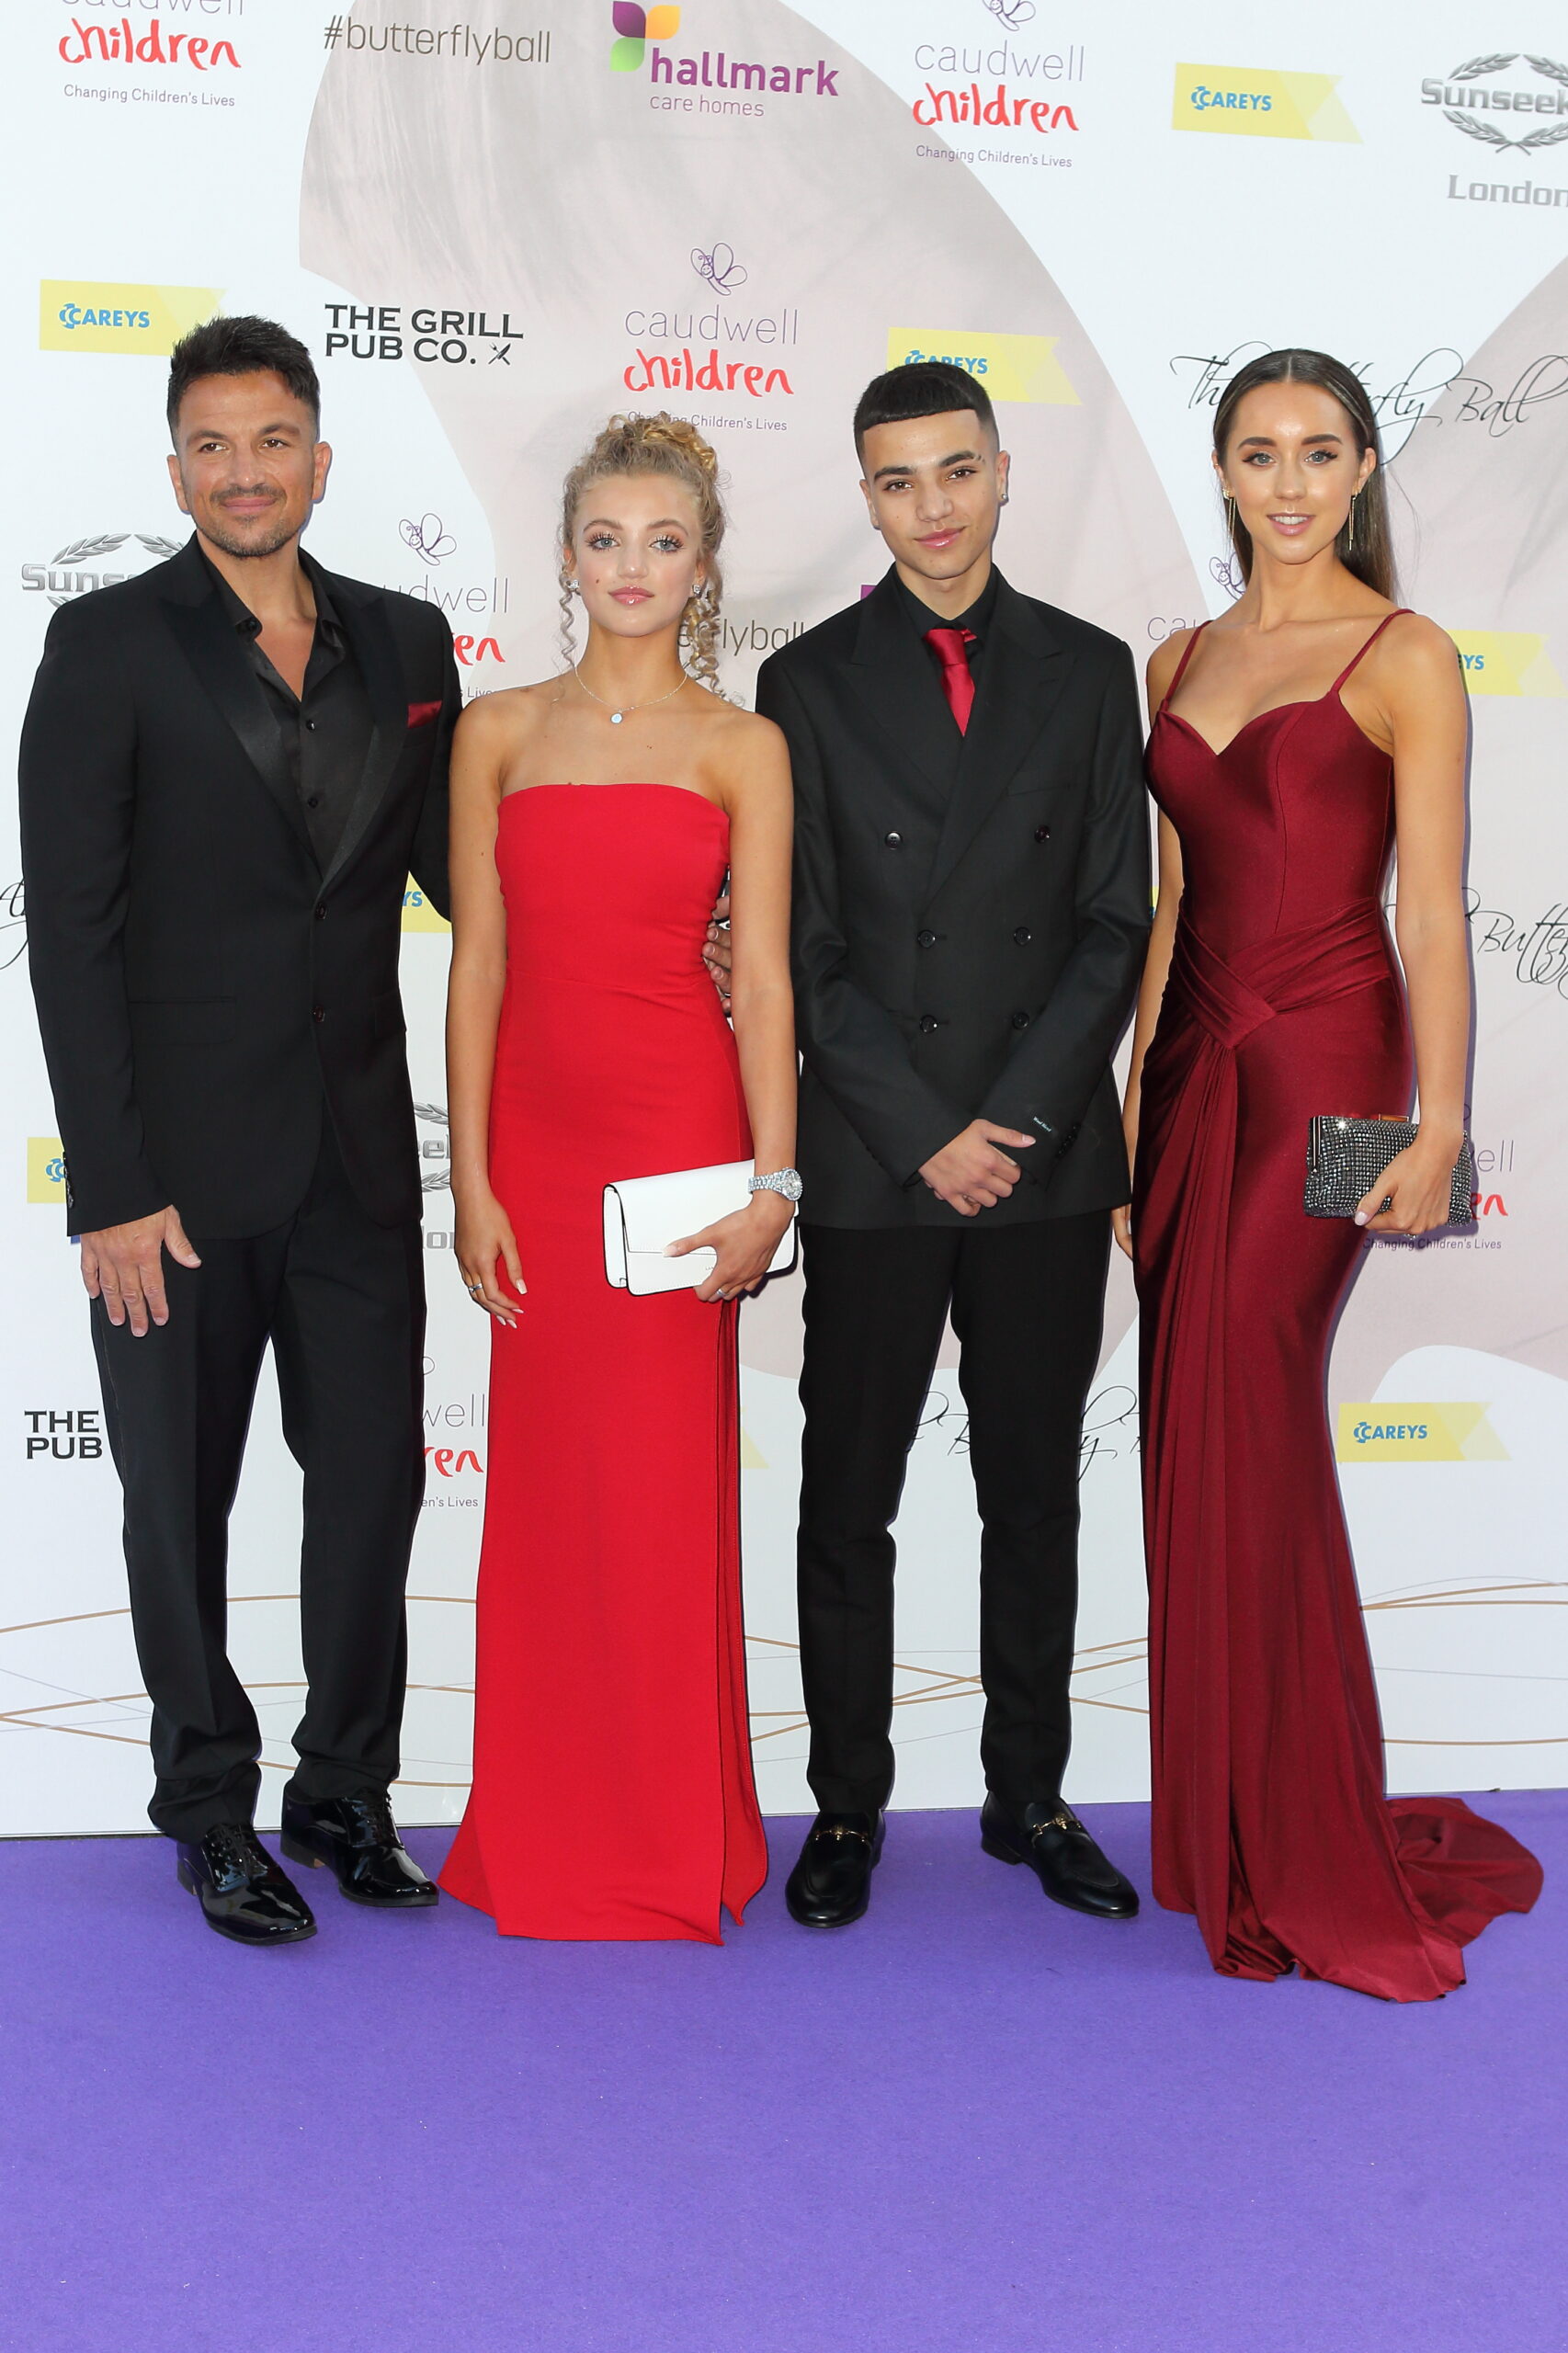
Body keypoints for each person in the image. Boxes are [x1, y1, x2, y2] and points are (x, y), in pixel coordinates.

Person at [18, 316, 460, 1944]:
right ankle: (207, 1806)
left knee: (369, 1491)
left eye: (272, 440)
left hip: (355, 1158)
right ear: (176, 468)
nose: (244, 471)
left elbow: (460, 882)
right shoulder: (110, 644)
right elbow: (71, 937)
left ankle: (344, 1787)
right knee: (176, 1500)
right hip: (176, 1186)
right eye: (212, 445)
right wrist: (112, 1188)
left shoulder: (411, 645)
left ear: (320, 457)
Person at [1120, 347, 1543, 2001]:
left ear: (1360, 468)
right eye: (1255, 452)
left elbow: (1427, 911)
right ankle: (1237, 1814)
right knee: (1203, 1424)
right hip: (1187, 1077)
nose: (1286, 482)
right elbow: (1166, 911)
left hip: (1337, 1076)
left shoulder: (1404, 653)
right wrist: (1126, 1123)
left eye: (1316, 452)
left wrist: (1439, 1122)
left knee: (1249, 1380)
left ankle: (1296, 1834)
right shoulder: (1177, 653)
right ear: (1221, 473)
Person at [753, 362, 1149, 1930]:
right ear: (865, 495)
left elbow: (1116, 921)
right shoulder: (805, 681)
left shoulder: (1087, 667)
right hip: (875, 1157)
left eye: (956, 471)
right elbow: (805, 950)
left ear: (1001, 473)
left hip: (1043, 1158)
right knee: (846, 1499)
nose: (932, 505)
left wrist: (1020, 1120)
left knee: (1029, 1492)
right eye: (898, 479)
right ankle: (845, 1810)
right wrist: (927, 1135)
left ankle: (1027, 1795)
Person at [438, 414, 795, 1943]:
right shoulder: (495, 730)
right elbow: (476, 969)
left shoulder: (743, 745)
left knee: (657, 1496)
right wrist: (471, 1180)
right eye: (606, 539)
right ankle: (540, 1828)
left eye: (664, 541)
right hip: (537, 1144)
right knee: (546, 1496)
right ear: (570, 557)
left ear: (703, 564)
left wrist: (774, 1185)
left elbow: (766, 981)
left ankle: (664, 1833)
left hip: (674, 1150)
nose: (633, 567)